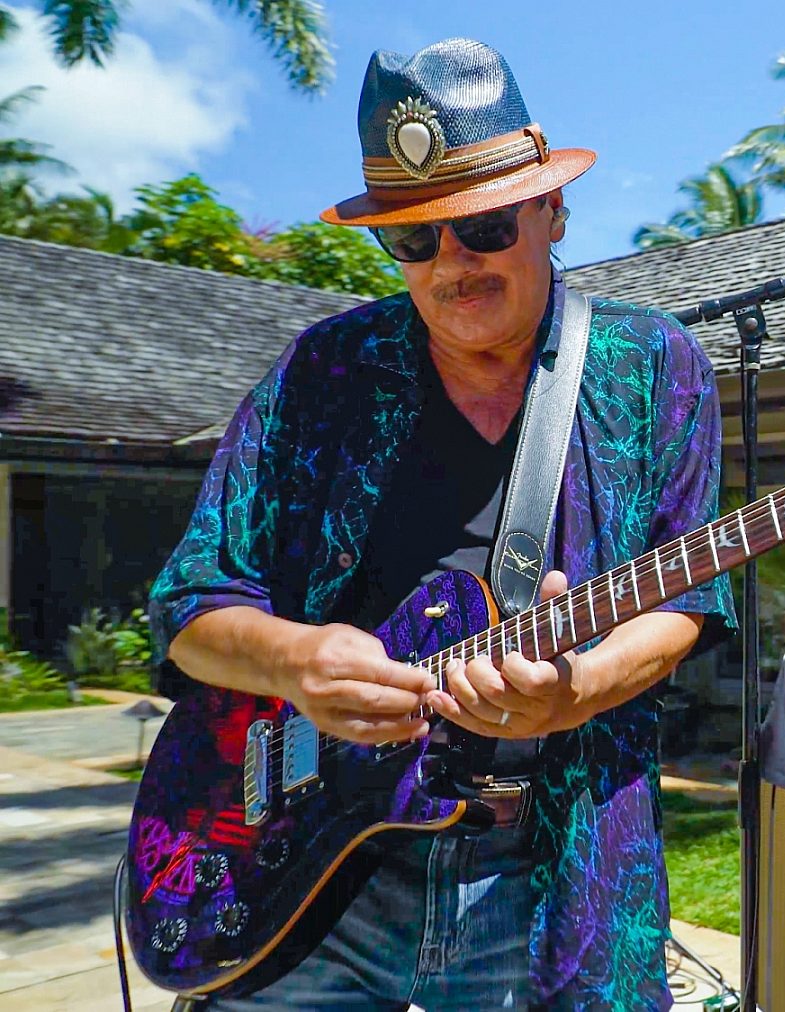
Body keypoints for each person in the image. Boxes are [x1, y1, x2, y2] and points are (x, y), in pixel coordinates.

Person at [147, 39, 731, 1009]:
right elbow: (189, 601)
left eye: (486, 226)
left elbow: (684, 596)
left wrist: (576, 691)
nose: (453, 264)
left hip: (549, 871)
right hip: (311, 876)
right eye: (414, 241)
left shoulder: (653, 367)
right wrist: (295, 660)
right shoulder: (322, 374)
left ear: (551, 209)